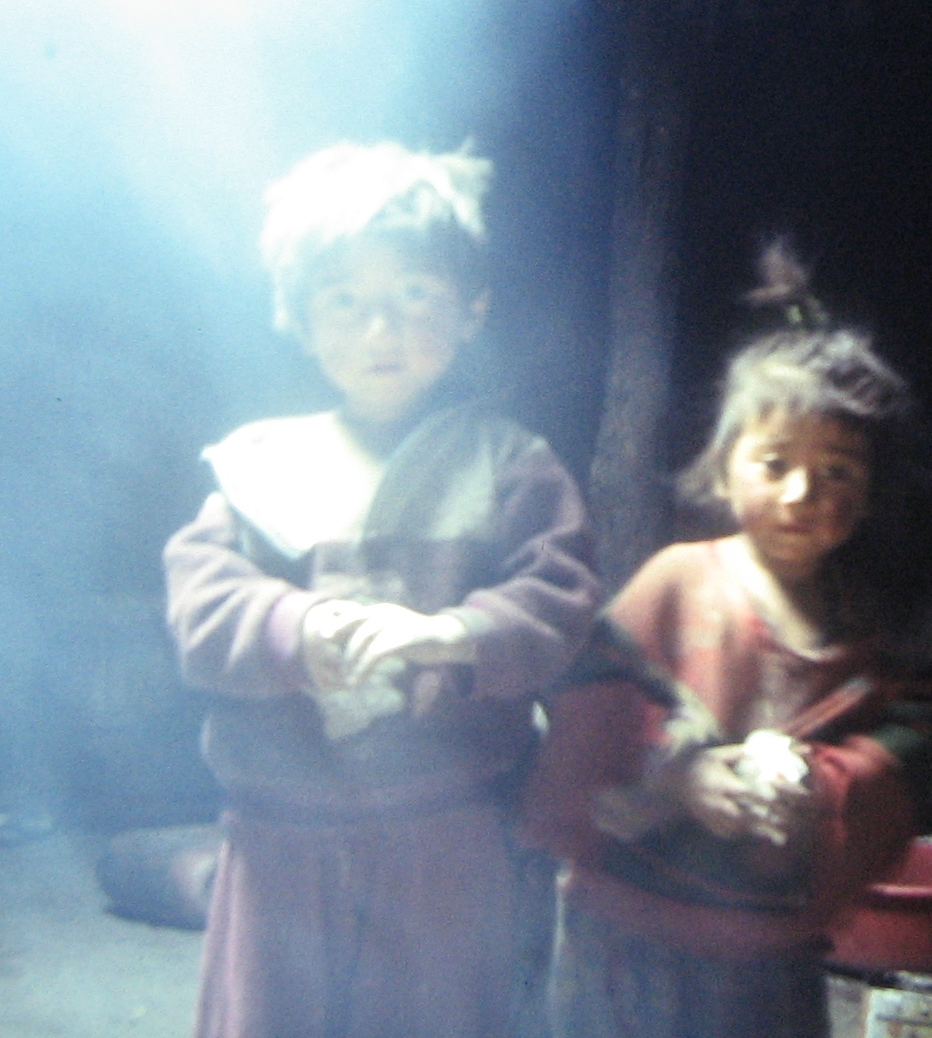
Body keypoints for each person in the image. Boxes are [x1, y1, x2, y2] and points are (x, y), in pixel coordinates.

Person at [165, 142, 605, 1038]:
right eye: (344, 300)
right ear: (299, 316)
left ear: (472, 308)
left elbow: (560, 601)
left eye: (413, 294)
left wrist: (452, 632)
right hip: (278, 836)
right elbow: (201, 607)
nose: (381, 330)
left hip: (444, 834)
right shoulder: (258, 467)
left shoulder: (509, 464)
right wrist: (293, 626)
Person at [523, 246, 932, 1038]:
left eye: (837, 471)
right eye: (774, 462)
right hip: (631, 931)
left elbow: (909, 738)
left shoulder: (864, 621)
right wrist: (678, 773)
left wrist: (824, 788)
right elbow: (587, 704)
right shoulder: (680, 582)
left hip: (769, 948)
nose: (802, 492)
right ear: (723, 470)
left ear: (868, 490)